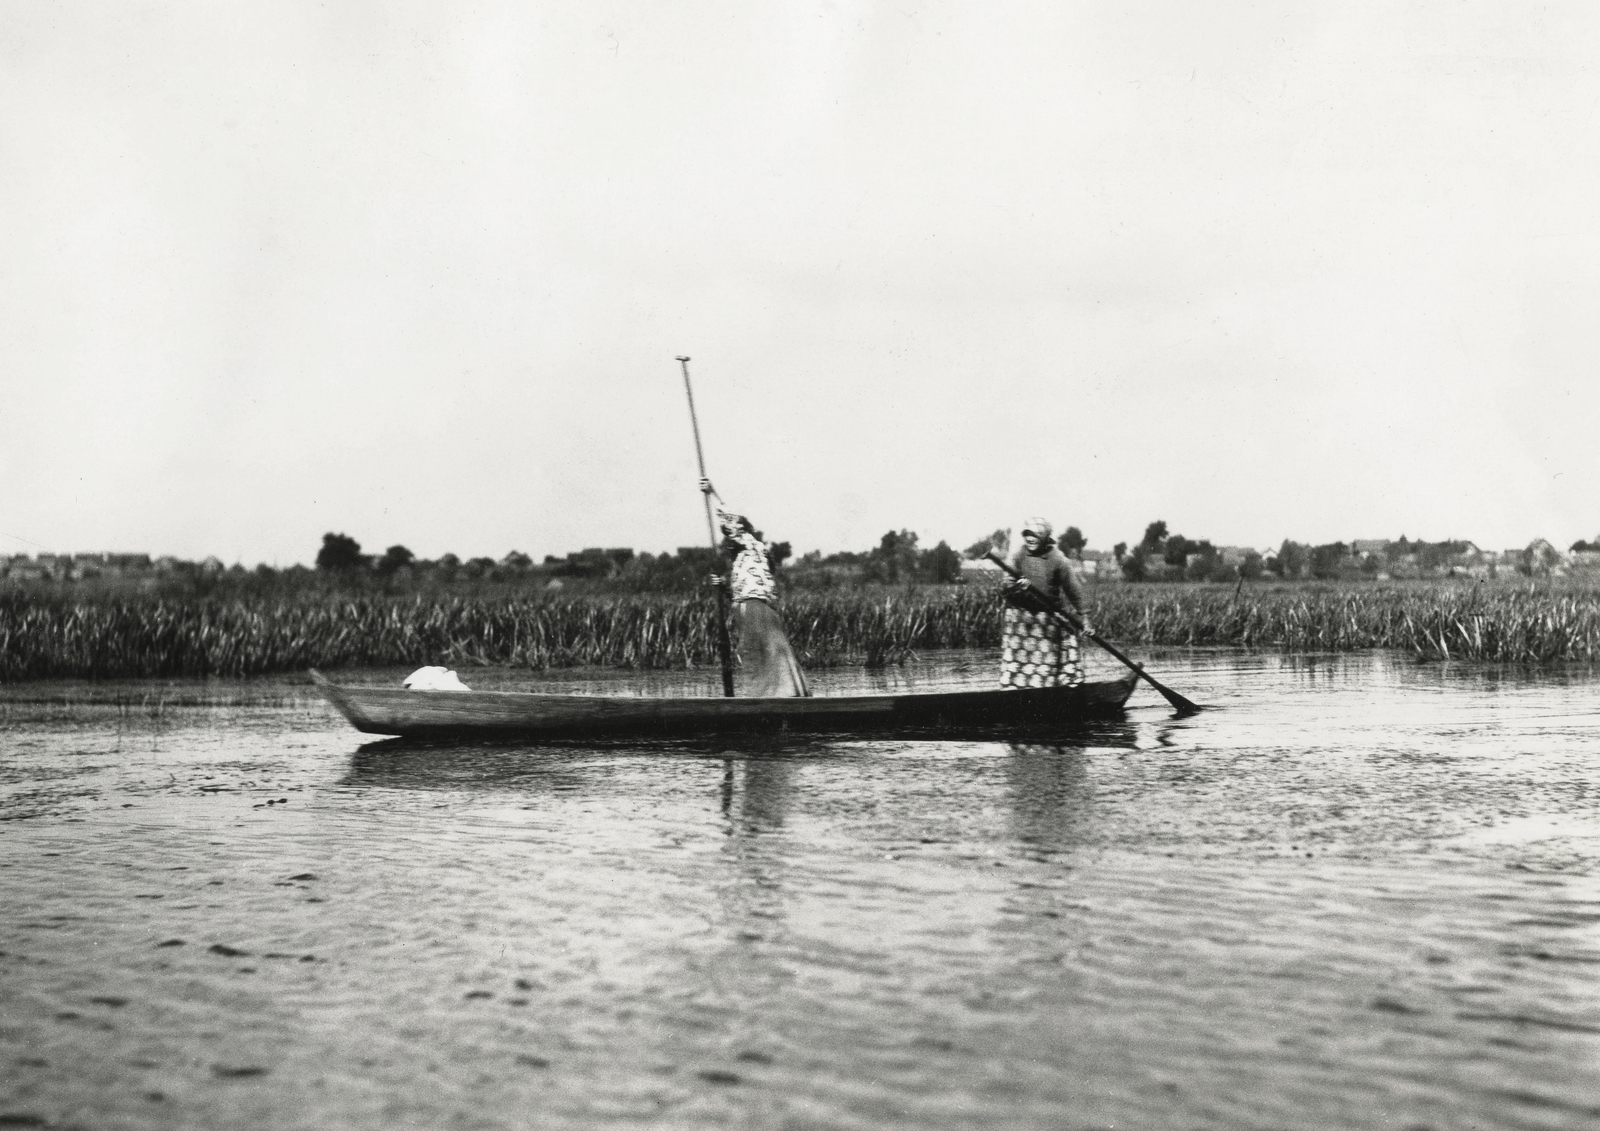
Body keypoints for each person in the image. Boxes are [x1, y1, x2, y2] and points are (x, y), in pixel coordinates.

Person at [700, 478, 811, 698]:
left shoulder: (752, 545)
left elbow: (731, 521)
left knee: (762, 652)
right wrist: (722, 587)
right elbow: (739, 594)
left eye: (734, 535)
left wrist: (712, 494)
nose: (729, 540)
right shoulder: (742, 560)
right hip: (747, 609)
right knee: (755, 653)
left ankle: (777, 697)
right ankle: (773, 695)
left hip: (755, 609)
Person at [999, 517, 1093, 689]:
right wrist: (1019, 590)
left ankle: (1051, 692)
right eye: (1027, 535)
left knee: (1047, 664)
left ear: (1044, 537)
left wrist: (1085, 618)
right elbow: (1006, 587)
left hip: (1048, 619)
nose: (1030, 539)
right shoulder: (1018, 555)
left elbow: (1074, 590)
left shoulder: (1058, 559)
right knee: (1019, 664)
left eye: (1035, 535)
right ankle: (1017, 692)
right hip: (1022, 619)